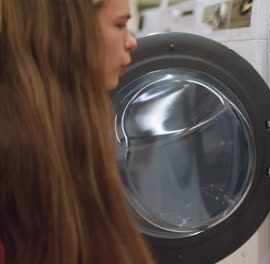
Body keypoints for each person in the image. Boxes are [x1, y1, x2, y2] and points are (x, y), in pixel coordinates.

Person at [0, 0, 155, 263]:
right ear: (67, 32)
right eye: (120, 24)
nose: (131, 42)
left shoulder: (60, 131)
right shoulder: (19, 154)